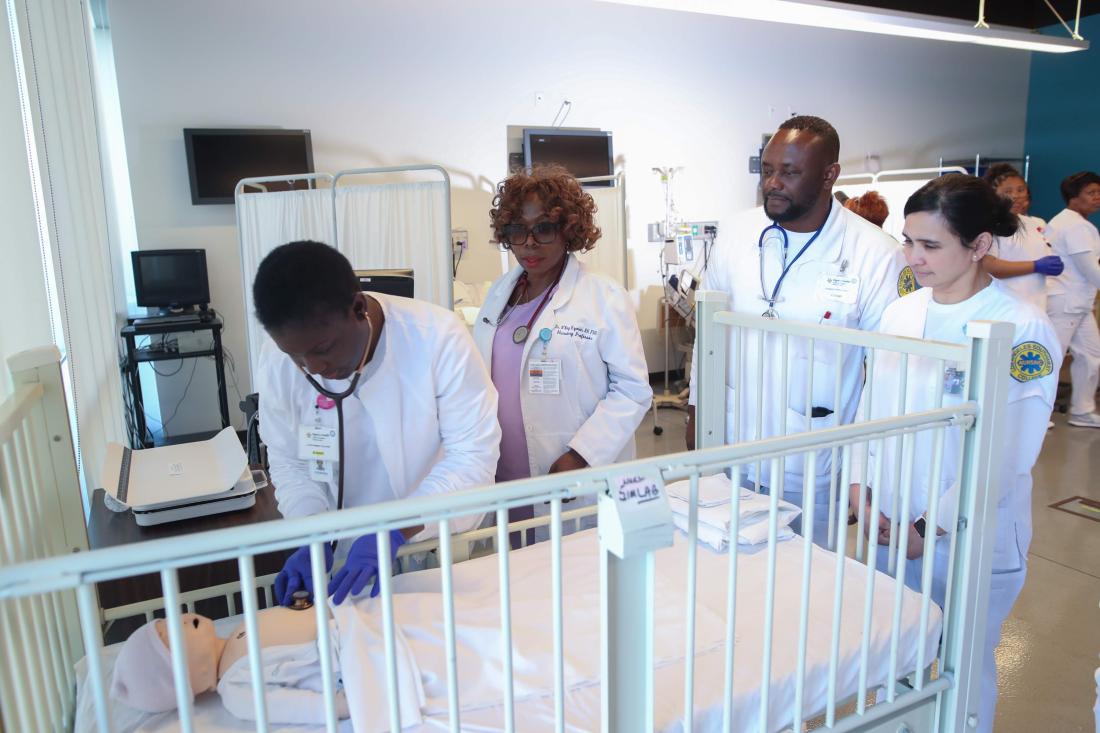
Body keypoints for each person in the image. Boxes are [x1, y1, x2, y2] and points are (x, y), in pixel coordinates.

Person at [849, 173, 1059, 733]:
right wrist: (860, 489)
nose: (913, 258)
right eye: (908, 241)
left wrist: (928, 525)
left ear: (980, 245)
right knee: (896, 659)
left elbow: (1007, 454)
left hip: (967, 536)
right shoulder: (902, 314)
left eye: (930, 245)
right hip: (890, 524)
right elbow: (873, 409)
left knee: (961, 667)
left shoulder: (1022, 329)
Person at [687, 115, 903, 545]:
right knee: (727, 575)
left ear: (829, 175)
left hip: (815, 461)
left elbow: (886, 375)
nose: (773, 183)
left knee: (806, 588)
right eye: (768, 171)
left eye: (789, 172)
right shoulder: (735, 233)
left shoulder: (875, 254)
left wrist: (867, 473)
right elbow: (707, 335)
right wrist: (696, 414)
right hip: (732, 444)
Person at [253, 241, 501, 605]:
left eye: (322, 350)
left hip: (434, 543)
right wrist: (312, 531)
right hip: (348, 557)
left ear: (357, 308)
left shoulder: (437, 337)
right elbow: (290, 461)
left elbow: (472, 455)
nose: (313, 368)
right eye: (296, 356)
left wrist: (396, 528)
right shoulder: (277, 359)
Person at [473, 165, 651, 537]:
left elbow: (632, 390)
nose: (529, 243)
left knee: (572, 581)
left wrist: (582, 454)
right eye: (517, 230)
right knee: (517, 578)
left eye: (543, 228)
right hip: (505, 472)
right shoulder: (498, 294)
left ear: (568, 230)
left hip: (569, 470)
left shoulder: (603, 296)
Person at [110, 607, 421, 726]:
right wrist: (339, 706)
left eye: (165, 622)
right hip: (355, 656)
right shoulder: (235, 689)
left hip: (361, 622)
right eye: (169, 637)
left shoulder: (236, 631)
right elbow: (292, 706)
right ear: (188, 681)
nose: (176, 622)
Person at [1044, 171, 1100, 428]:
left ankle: (1082, 410)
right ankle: (1039, 414)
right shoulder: (1075, 225)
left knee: (1091, 356)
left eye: (1098, 192)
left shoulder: (1071, 221)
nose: (1097, 198)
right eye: (1091, 193)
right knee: (1052, 359)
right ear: (1073, 197)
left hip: (1079, 304)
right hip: (1065, 302)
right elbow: (1090, 269)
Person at [980, 163, 1063, 310]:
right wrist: (1035, 266)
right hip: (1005, 306)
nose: (1015, 196)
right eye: (1008, 191)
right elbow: (988, 266)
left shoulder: (1031, 223)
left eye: (1021, 190)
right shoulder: (990, 225)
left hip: (1036, 304)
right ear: (994, 195)